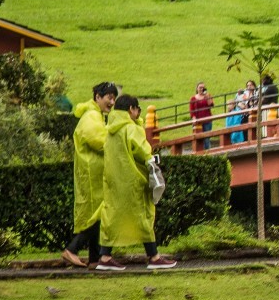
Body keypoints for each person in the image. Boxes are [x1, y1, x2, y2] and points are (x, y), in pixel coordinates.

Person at [100, 94, 176, 270]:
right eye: (137, 109)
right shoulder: (131, 128)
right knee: (144, 215)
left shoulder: (109, 130)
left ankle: (104, 256)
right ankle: (154, 256)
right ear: (130, 110)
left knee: (112, 216)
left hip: (113, 180)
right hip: (133, 179)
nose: (138, 113)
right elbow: (143, 150)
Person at [62, 81, 120, 269]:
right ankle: (72, 249)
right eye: (109, 98)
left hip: (93, 174)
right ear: (97, 97)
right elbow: (100, 141)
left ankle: (94, 259)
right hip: (92, 175)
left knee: (99, 216)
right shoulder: (91, 117)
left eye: (114, 98)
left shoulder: (95, 115)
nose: (111, 102)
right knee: (98, 216)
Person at [188, 82, 213, 150]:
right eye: (200, 87)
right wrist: (193, 118)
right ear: (197, 88)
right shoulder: (193, 98)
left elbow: (211, 105)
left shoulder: (208, 96)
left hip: (207, 120)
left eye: (203, 87)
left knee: (207, 138)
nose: (201, 89)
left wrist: (207, 97)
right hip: (198, 121)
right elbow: (191, 110)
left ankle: (207, 152)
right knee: (198, 138)